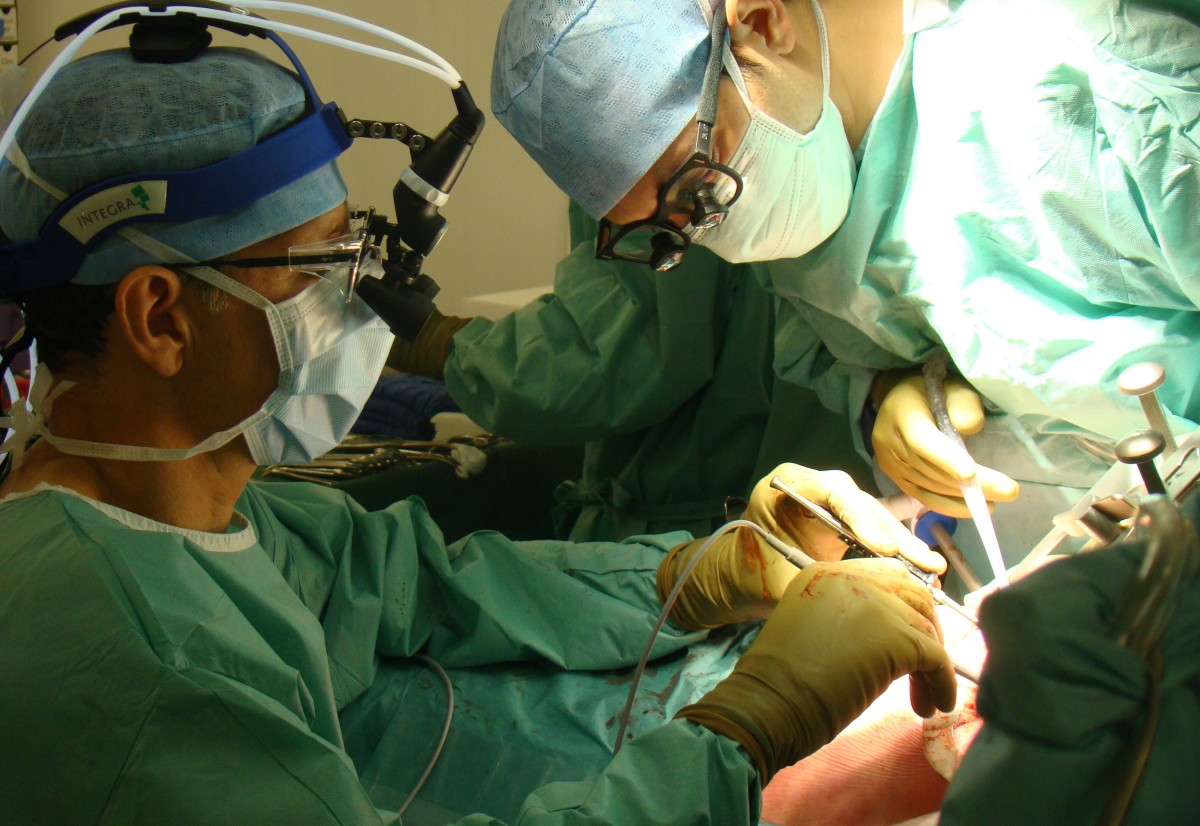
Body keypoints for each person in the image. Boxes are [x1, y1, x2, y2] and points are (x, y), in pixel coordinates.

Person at [0, 18, 956, 825]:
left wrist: (699, 574)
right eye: (320, 266)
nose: (358, 299)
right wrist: (744, 730)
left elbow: (429, 585)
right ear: (160, 318)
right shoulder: (138, 663)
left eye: (359, 249)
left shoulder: (184, 512)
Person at [489, 0, 1200, 578]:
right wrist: (887, 394)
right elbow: (830, 351)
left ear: (762, 22)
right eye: (664, 229)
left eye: (694, 189)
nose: (711, 233)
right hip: (1071, 593)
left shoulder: (1101, 89)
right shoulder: (801, 190)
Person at [394, 201, 876, 543]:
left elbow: (610, 357)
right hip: (818, 531)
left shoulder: (671, 147)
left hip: (691, 539)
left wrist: (444, 344)